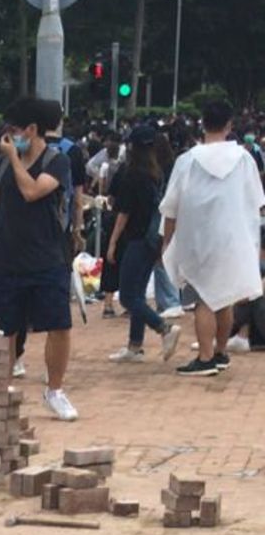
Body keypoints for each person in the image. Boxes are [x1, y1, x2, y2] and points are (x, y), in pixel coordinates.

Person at [0, 95, 78, 421]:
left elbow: (32, 191)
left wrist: (14, 159)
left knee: (58, 326)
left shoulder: (56, 162)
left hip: (47, 259)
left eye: (15, 129)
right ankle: (0, 393)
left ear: (32, 129)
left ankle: (55, 390)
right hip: (5, 260)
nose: (10, 135)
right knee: (3, 330)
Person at [161, 100, 265, 376]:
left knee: (204, 300)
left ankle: (205, 358)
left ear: (202, 124)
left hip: (198, 241)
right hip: (233, 239)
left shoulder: (187, 161)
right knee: (225, 297)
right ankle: (220, 352)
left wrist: (167, 240)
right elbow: (256, 201)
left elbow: (171, 206)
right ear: (230, 125)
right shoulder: (244, 160)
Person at [104, 124, 181, 365]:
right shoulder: (156, 174)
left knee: (127, 296)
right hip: (152, 239)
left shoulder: (132, 174)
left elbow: (123, 213)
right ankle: (135, 346)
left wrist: (113, 243)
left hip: (136, 239)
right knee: (137, 293)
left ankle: (164, 328)